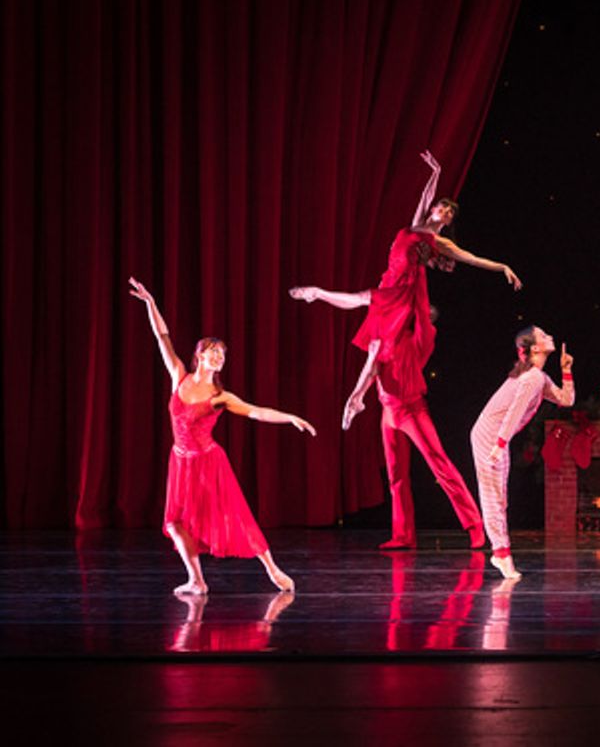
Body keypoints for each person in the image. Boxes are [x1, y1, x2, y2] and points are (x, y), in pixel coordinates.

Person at [290, 151, 519, 549]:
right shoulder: (412, 226)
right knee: (395, 474)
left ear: (449, 220)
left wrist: (500, 267)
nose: (442, 213)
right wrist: (435, 173)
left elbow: (469, 257)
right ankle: (402, 535)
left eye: (448, 212)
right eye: (440, 207)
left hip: (405, 352)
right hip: (387, 316)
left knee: (438, 463)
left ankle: (475, 526)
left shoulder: (435, 241)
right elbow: (423, 201)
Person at [129, 277, 316, 595]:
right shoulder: (179, 377)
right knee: (174, 523)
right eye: (213, 352)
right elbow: (162, 336)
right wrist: (150, 303)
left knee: (234, 515)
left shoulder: (220, 396)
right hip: (180, 462)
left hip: (208, 463)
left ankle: (272, 568)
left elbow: (256, 411)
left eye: (223, 355)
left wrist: (290, 417)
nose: (219, 357)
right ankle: (197, 581)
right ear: (199, 355)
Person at [472, 327, 575, 579]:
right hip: (490, 435)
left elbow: (566, 400)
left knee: (500, 498)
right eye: (543, 335)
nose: (550, 336)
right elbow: (514, 412)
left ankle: (500, 552)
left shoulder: (538, 377)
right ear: (535, 348)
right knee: (493, 497)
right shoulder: (533, 378)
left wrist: (566, 370)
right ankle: (502, 554)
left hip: (498, 436)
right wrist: (498, 444)